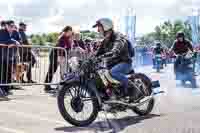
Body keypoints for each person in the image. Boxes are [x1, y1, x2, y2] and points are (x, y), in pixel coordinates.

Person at [93, 18, 143, 102]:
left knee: (113, 72)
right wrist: (88, 59)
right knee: (99, 75)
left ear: (105, 27)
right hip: (111, 65)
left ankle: (133, 89)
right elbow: (97, 53)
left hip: (124, 63)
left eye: (99, 27)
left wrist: (114, 51)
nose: (98, 30)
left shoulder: (118, 36)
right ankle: (111, 96)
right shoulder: (105, 41)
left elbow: (117, 46)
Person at [44, 26, 73, 93]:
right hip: (55, 55)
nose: (70, 33)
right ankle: (47, 85)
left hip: (60, 55)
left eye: (71, 32)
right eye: (70, 31)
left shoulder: (67, 38)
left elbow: (68, 48)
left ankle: (62, 86)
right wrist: (59, 57)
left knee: (62, 71)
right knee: (52, 70)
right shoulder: (62, 37)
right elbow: (61, 48)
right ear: (67, 31)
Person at [0, 20, 19, 96]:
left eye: (13, 26)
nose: (12, 28)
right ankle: (2, 90)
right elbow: (4, 41)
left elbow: (18, 41)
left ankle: (6, 89)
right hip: (1, 56)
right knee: (2, 74)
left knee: (8, 73)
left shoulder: (13, 32)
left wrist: (14, 43)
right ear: (6, 26)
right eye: (11, 26)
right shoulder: (2, 31)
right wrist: (14, 42)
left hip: (9, 57)